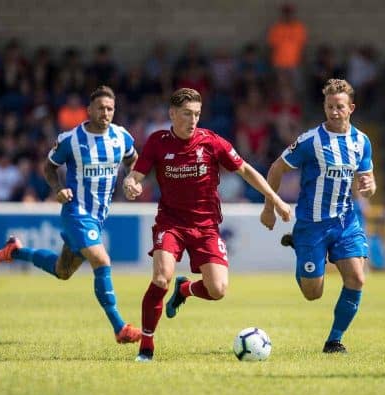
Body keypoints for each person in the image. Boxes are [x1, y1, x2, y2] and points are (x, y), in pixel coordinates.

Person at [122, 87, 291, 362]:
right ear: (172, 114)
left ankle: (185, 289)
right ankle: (146, 347)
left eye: (197, 114)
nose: (193, 120)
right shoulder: (157, 142)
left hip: (206, 226)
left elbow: (246, 170)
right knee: (161, 276)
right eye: (187, 114)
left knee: (218, 290)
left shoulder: (211, 142)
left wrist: (275, 199)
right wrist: (131, 184)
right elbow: (136, 175)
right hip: (171, 223)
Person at [0, 85, 142, 344]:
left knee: (63, 270)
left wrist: (132, 180)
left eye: (110, 108)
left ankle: (16, 251)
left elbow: (134, 160)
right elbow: (49, 167)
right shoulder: (71, 139)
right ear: (90, 110)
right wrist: (58, 189)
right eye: (101, 108)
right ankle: (120, 328)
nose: (106, 113)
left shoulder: (121, 136)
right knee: (101, 261)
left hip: (98, 215)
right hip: (76, 211)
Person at [260, 79, 377, 353]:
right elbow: (277, 168)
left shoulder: (362, 141)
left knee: (357, 278)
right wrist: (269, 208)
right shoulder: (311, 140)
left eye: (339, 107)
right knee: (313, 293)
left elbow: (367, 180)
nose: (334, 112)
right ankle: (300, 246)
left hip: (346, 221)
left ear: (351, 108)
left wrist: (370, 187)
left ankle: (334, 341)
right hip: (312, 225)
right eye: (329, 107)